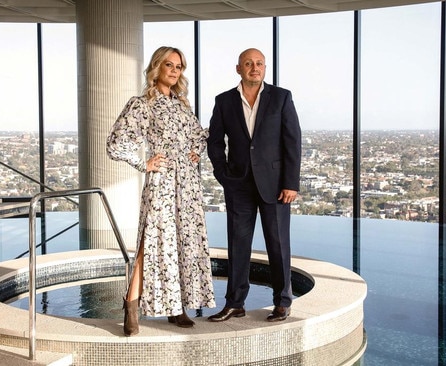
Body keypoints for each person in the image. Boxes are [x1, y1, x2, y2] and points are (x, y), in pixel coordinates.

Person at [106, 46, 216, 336]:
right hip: (163, 183)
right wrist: (144, 163)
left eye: (179, 66)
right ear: (157, 67)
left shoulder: (182, 105)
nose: (174, 70)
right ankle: (131, 304)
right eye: (169, 64)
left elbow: (200, 136)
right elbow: (116, 143)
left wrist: (195, 151)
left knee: (182, 243)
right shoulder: (142, 104)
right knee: (152, 243)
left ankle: (176, 307)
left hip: (188, 186)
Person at [206, 48, 302, 323]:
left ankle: (283, 302)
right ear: (239, 68)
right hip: (238, 185)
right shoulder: (224, 101)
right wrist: (222, 174)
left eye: (259, 63)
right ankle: (235, 303)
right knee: (238, 246)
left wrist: (290, 183)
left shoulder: (281, 97)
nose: (254, 68)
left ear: (265, 68)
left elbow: (292, 141)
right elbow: (214, 141)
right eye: (248, 63)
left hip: (275, 186)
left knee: (278, 244)